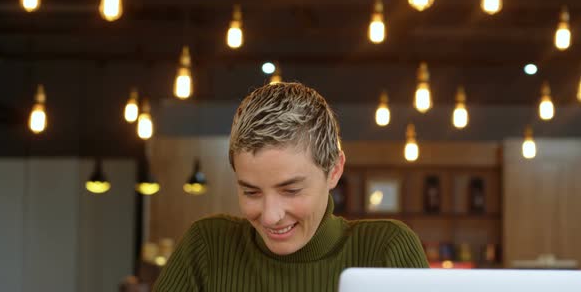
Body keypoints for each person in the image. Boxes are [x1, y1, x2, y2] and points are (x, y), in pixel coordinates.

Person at [152, 82, 428, 292]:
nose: (271, 216)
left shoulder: (386, 250)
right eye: (251, 192)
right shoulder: (207, 247)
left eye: (291, 190)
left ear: (334, 171)